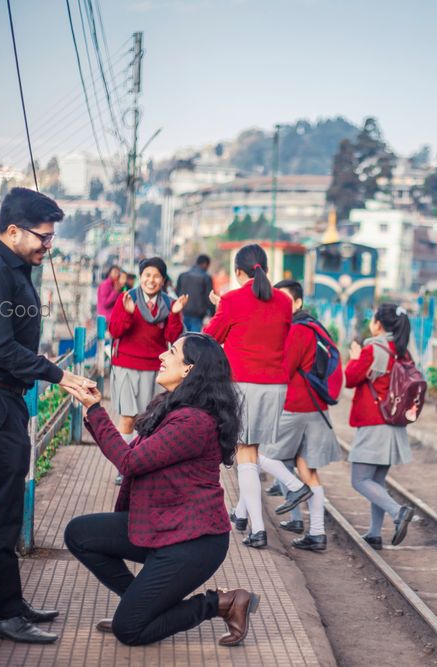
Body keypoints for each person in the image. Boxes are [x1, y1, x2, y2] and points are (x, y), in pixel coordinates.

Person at [0, 187, 96, 644]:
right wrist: (61, 376)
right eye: (42, 238)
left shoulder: (11, 268)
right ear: (13, 231)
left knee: (8, 510)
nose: (47, 246)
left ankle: (9, 602)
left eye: (51, 239)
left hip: (2, 399)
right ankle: (0, 615)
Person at [63, 333, 259, 647]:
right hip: (162, 524)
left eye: (171, 351)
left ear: (188, 370)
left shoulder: (194, 422)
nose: (161, 356)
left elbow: (129, 461)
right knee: (79, 534)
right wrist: (94, 411)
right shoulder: (171, 406)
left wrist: (95, 409)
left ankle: (222, 603)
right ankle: (140, 606)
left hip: (193, 541)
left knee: (129, 631)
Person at [205, 244, 295, 549]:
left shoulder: (231, 300)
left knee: (244, 456)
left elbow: (210, 339)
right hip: (275, 386)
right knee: (252, 453)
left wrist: (221, 309)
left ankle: (258, 530)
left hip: (243, 384)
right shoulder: (284, 301)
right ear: (266, 269)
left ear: (238, 272)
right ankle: (243, 515)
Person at [257, 280, 343, 551]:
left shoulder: (296, 330)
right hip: (316, 407)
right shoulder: (316, 327)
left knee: (262, 456)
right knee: (309, 470)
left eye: (284, 300)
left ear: (297, 303)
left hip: (296, 405)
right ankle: (317, 534)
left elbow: (284, 368)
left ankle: (294, 487)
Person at [108, 258, 186, 484]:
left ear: (163, 280)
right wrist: (129, 313)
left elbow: (173, 337)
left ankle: (142, 464)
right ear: (140, 276)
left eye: (156, 276)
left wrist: (175, 314)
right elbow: (115, 330)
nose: (151, 280)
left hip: (154, 368)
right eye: (147, 275)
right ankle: (123, 467)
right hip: (126, 365)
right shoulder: (126, 298)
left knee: (149, 419)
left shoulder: (170, 304)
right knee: (127, 418)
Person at [344, 304, 416, 549]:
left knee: (360, 480)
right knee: (376, 480)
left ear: (378, 323)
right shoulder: (403, 350)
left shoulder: (374, 347)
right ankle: (374, 534)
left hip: (375, 422)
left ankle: (398, 512)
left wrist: (354, 357)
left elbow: (352, 378)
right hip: (394, 422)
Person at [177, 254, 215, 333]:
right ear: (205, 264)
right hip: (197, 315)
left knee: (183, 339)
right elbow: (210, 298)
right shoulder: (206, 278)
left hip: (183, 312)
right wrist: (213, 314)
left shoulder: (182, 275)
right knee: (194, 340)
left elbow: (178, 292)